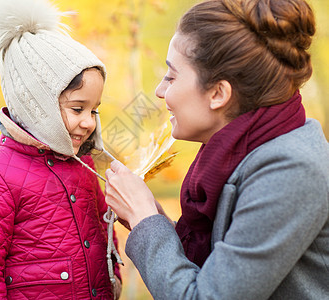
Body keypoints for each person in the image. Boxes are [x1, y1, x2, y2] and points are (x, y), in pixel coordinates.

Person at [105, 0, 329, 299]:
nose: (160, 91)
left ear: (218, 93)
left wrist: (146, 223)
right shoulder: (248, 151)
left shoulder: (291, 170)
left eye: (171, 77)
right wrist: (149, 218)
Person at [0, 0, 122, 299]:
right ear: (37, 105)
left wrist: (114, 275)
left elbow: (102, 226)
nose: (88, 122)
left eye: (94, 110)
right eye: (77, 108)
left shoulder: (82, 163)